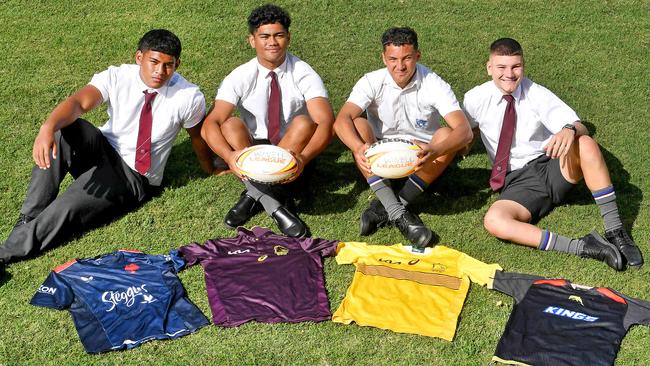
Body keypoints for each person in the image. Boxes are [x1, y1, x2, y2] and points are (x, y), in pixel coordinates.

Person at [0, 29, 217, 274]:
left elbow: (197, 137)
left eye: (169, 65)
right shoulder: (118, 76)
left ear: (177, 64)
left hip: (133, 176)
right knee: (64, 130)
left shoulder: (188, 97)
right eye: (154, 62)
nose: (160, 72)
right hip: (102, 148)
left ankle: (6, 252)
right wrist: (47, 127)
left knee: (67, 208)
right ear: (139, 58)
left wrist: (210, 168)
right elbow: (78, 103)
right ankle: (28, 221)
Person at [463, 37, 643, 271]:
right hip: (517, 182)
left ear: (523, 65)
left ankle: (615, 230)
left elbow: (579, 126)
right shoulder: (474, 98)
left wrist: (569, 129)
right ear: (489, 68)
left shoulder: (536, 93)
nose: (509, 74)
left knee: (586, 142)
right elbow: (466, 131)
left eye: (516, 66)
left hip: (552, 166)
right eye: (501, 67)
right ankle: (584, 247)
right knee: (495, 221)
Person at [201, 4, 334, 238]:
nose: (272, 42)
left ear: (288, 38)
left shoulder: (304, 72)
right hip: (253, 149)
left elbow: (325, 122)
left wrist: (302, 158)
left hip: (294, 150)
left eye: (278, 35)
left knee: (304, 122)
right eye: (264, 36)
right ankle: (276, 206)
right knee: (229, 124)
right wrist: (229, 156)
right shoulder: (240, 75)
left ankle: (252, 195)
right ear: (252, 40)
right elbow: (210, 124)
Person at [333, 27, 472, 248]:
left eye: (407, 58)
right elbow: (341, 120)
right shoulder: (371, 80)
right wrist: (358, 148)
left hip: (422, 157)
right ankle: (399, 214)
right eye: (393, 59)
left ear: (418, 55)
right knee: (358, 125)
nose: (400, 66)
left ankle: (388, 206)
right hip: (380, 154)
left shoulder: (434, 83)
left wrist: (435, 150)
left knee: (446, 134)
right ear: (383, 58)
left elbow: (464, 131)